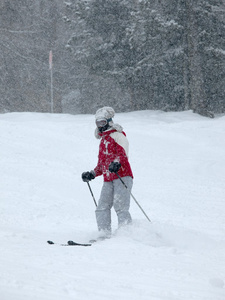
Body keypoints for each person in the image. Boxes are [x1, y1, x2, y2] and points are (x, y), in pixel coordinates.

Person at [82, 106, 133, 237]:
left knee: (120, 206)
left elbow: (123, 154)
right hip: (108, 178)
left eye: (102, 122)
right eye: (98, 123)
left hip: (122, 175)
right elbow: (101, 164)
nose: (100, 126)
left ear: (109, 121)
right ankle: (104, 233)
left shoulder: (117, 135)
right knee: (102, 206)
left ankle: (126, 233)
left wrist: (117, 163)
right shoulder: (103, 140)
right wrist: (92, 173)